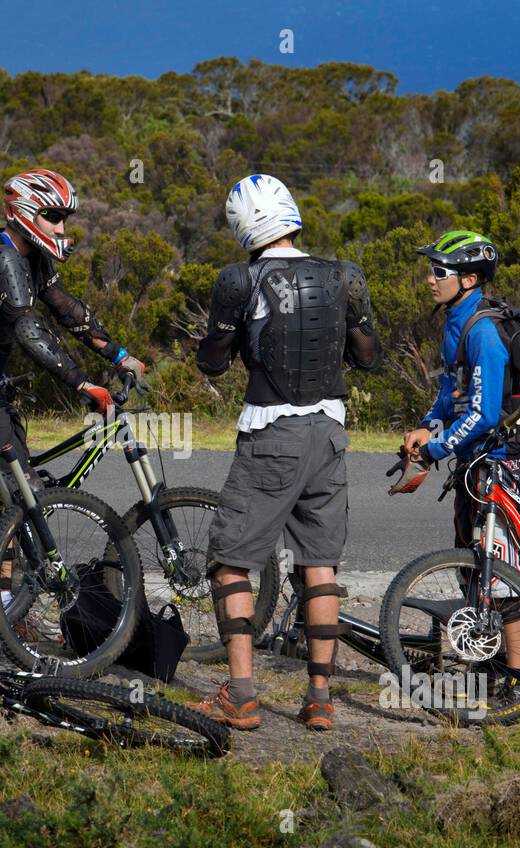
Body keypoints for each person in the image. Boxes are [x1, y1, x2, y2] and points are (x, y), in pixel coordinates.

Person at [192, 173, 382, 732]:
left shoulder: (238, 279)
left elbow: (211, 362)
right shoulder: (345, 276)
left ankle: (242, 695)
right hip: (331, 431)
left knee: (230, 559)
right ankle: (319, 700)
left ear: (243, 225)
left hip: (271, 430)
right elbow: (368, 356)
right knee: (319, 565)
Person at [390, 230, 520, 702]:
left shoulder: (483, 332)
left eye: (439, 272)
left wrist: (435, 449)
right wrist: (427, 426)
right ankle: (491, 667)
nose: (429, 280)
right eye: (430, 270)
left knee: (504, 578)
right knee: (475, 572)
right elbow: (450, 397)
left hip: (500, 465)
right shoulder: (455, 322)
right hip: (472, 468)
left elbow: (483, 413)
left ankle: (517, 681)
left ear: (469, 278)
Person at [0, 168, 146, 475]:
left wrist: (119, 355)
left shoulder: (31, 254)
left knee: (20, 485)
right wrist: (83, 384)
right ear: (22, 212)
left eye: (64, 219)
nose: (60, 228)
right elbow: (29, 330)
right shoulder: (0, 254)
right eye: (52, 216)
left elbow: (66, 308)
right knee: (21, 486)